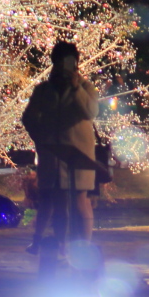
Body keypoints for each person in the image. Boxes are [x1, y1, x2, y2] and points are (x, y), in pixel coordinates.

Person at [21, 41, 99, 255]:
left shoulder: (85, 87)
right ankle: (61, 246)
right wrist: (41, 139)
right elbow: (28, 118)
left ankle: (84, 247)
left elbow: (91, 112)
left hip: (78, 154)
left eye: (70, 62)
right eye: (61, 62)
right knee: (56, 200)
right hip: (52, 154)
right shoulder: (44, 90)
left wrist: (76, 88)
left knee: (80, 200)